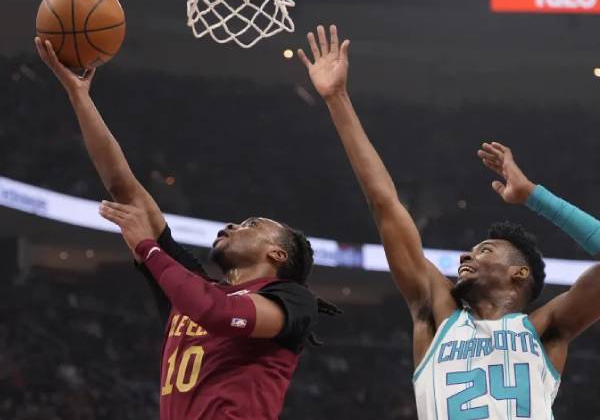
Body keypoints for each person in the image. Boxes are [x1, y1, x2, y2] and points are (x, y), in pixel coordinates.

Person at [298, 24, 600, 419]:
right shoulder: (436, 313)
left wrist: (534, 197)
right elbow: (385, 204)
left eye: (485, 250)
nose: (464, 256)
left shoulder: (547, 328)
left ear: (519, 273)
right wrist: (337, 99)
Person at [34, 36, 339, 420]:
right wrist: (79, 96)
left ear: (277, 253)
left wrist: (149, 249)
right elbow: (123, 186)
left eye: (251, 224)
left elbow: (218, 313)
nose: (232, 224)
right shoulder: (192, 288)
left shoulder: (294, 301)